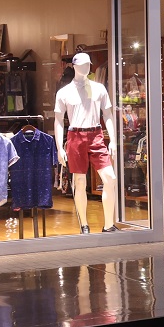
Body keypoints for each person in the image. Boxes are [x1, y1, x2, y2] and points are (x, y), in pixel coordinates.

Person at [54, 52, 119, 233]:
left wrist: (113, 140)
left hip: (96, 134)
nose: (86, 68)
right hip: (75, 136)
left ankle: (108, 224)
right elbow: (58, 120)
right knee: (80, 181)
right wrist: (60, 147)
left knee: (110, 178)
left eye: (88, 65)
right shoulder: (64, 92)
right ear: (74, 66)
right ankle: (84, 224)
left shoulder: (99, 89)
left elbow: (108, 115)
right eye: (82, 65)